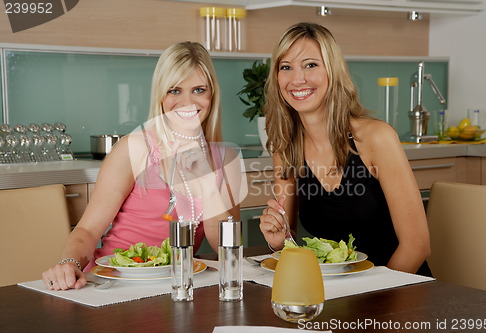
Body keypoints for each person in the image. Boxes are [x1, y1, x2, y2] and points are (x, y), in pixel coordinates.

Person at [43, 42, 244, 290]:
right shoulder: (134, 149)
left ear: (211, 94)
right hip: (115, 281)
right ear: (160, 94)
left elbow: (228, 251)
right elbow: (86, 230)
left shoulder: (224, 159)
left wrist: (206, 183)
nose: (187, 102)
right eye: (175, 91)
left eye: (198, 90)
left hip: (177, 283)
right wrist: (70, 262)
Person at [259, 22, 432, 276]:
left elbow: (417, 246)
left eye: (310, 65)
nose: (297, 79)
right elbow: (291, 240)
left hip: (398, 289)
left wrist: (373, 300)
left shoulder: (375, 138)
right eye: (286, 67)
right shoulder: (285, 147)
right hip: (340, 293)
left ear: (333, 71)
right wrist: (279, 240)